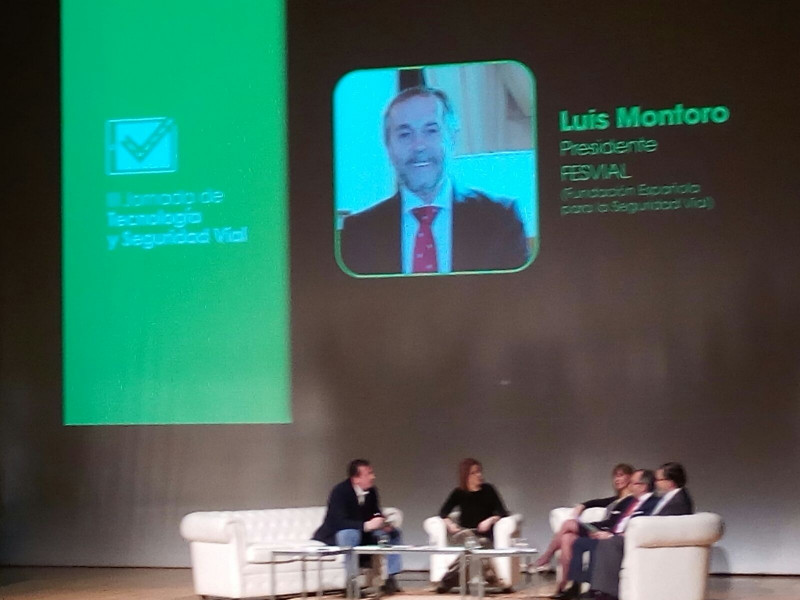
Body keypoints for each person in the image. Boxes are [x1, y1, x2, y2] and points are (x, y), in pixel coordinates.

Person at [339, 85, 529, 275]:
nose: (418, 146)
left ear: (452, 138)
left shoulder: (501, 218)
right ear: (389, 147)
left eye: (431, 131)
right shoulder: (358, 232)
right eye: (405, 134)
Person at [588, 462, 695, 600]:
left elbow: (664, 527)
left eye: (658, 480)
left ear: (670, 482)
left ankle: (608, 593)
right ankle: (600, 590)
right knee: (605, 541)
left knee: (610, 542)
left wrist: (627, 534)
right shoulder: (669, 497)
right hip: (644, 536)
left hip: (651, 540)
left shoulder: (679, 501)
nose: (654, 483)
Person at [558, 469, 658, 600]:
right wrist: (597, 529)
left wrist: (610, 535)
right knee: (578, 542)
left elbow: (642, 527)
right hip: (609, 532)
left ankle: (595, 590)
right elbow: (612, 521)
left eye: (633, 483)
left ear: (643, 486)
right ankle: (575, 585)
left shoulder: (653, 503)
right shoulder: (629, 501)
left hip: (622, 539)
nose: (630, 486)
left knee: (599, 544)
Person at [532, 463, 634, 583]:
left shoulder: (631, 500)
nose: (617, 479)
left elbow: (615, 523)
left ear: (630, 477)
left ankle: (547, 556)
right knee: (566, 538)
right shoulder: (615, 499)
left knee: (568, 523)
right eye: (615, 476)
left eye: (621, 475)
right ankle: (566, 585)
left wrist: (603, 531)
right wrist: (582, 506)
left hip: (603, 531)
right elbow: (595, 502)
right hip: (599, 527)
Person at [312, 459, 403, 594]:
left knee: (393, 533)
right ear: (356, 478)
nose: (373, 477)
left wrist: (381, 522)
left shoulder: (372, 491)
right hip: (336, 534)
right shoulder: (340, 492)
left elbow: (375, 511)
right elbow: (339, 522)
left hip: (363, 533)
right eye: (369, 474)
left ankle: (391, 577)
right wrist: (366, 525)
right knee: (349, 533)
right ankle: (352, 582)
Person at [435, 458, 510, 593]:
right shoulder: (459, 492)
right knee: (471, 541)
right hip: (464, 533)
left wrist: (490, 520)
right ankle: (490, 574)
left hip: (483, 536)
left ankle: (446, 582)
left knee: (475, 546)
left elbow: (503, 512)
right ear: (466, 476)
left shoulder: (489, 490)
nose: (479, 475)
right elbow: (443, 512)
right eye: (474, 473)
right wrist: (450, 524)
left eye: (479, 471)